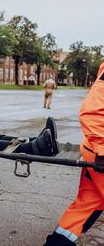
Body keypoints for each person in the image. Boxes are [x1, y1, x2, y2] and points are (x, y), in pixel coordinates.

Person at [44, 62, 104, 246]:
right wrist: (102, 151)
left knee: (87, 205)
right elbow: (93, 110)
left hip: (96, 149)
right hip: (99, 150)